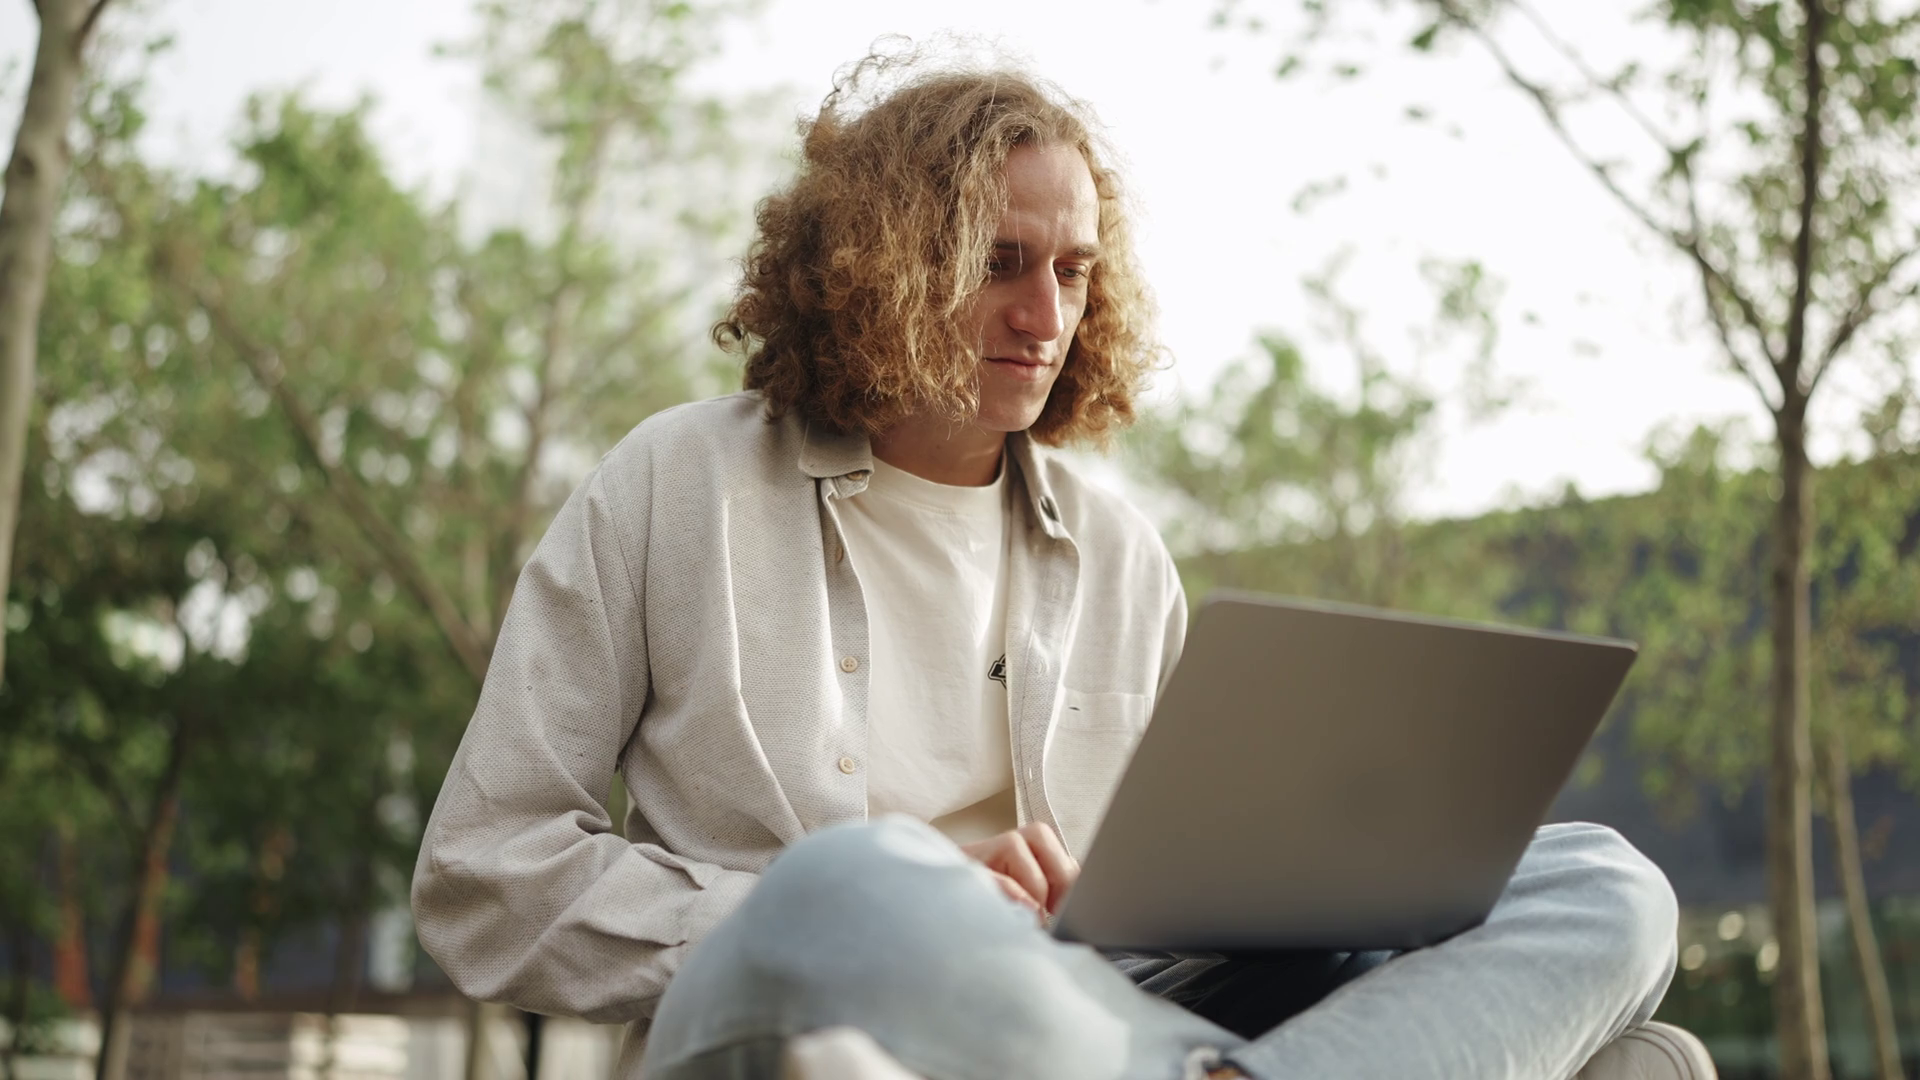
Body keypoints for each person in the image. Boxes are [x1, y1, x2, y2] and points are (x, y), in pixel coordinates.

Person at [411, 58, 1680, 1080]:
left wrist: (1170, 902)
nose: (1047, 317)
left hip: (1105, 1004)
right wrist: (862, 901)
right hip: (842, 984)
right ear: (882, 264)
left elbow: (1173, 894)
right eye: (1001, 263)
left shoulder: (1123, 555)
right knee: (857, 877)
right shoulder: (675, 483)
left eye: (1074, 273)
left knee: (1604, 884)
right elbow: (485, 872)